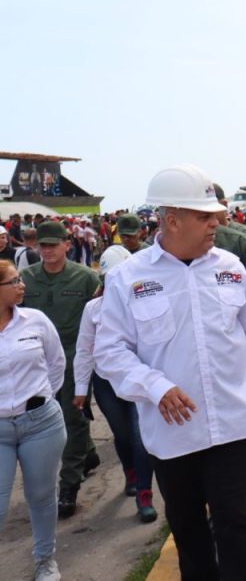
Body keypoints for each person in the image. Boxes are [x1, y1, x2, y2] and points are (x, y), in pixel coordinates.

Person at [93, 163, 246, 581]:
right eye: (204, 216)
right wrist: (156, 386)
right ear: (172, 219)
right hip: (173, 433)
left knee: (236, 524)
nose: (216, 222)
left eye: (214, 214)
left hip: (234, 425)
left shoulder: (230, 266)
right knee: (189, 533)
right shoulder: (130, 277)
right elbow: (110, 353)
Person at [20, 220, 101, 519]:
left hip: (73, 357)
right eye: (43, 245)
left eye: (54, 244)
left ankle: (69, 486)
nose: (48, 250)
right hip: (35, 362)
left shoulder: (84, 279)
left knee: (73, 418)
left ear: (68, 244)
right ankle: (88, 454)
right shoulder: (25, 279)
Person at [72, 245, 158, 523]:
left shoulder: (145, 301)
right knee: (122, 436)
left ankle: (144, 492)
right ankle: (130, 473)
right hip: (107, 382)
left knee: (141, 436)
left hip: (138, 379)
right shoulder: (93, 309)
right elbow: (85, 350)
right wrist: (81, 390)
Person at [0, 259, 67, 581]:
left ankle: (45, 561)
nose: (22, 285)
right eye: (13, 281)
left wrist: (41, 400)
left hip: (40, 423)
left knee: (41, 496)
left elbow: (56, 364)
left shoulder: (35, 320)